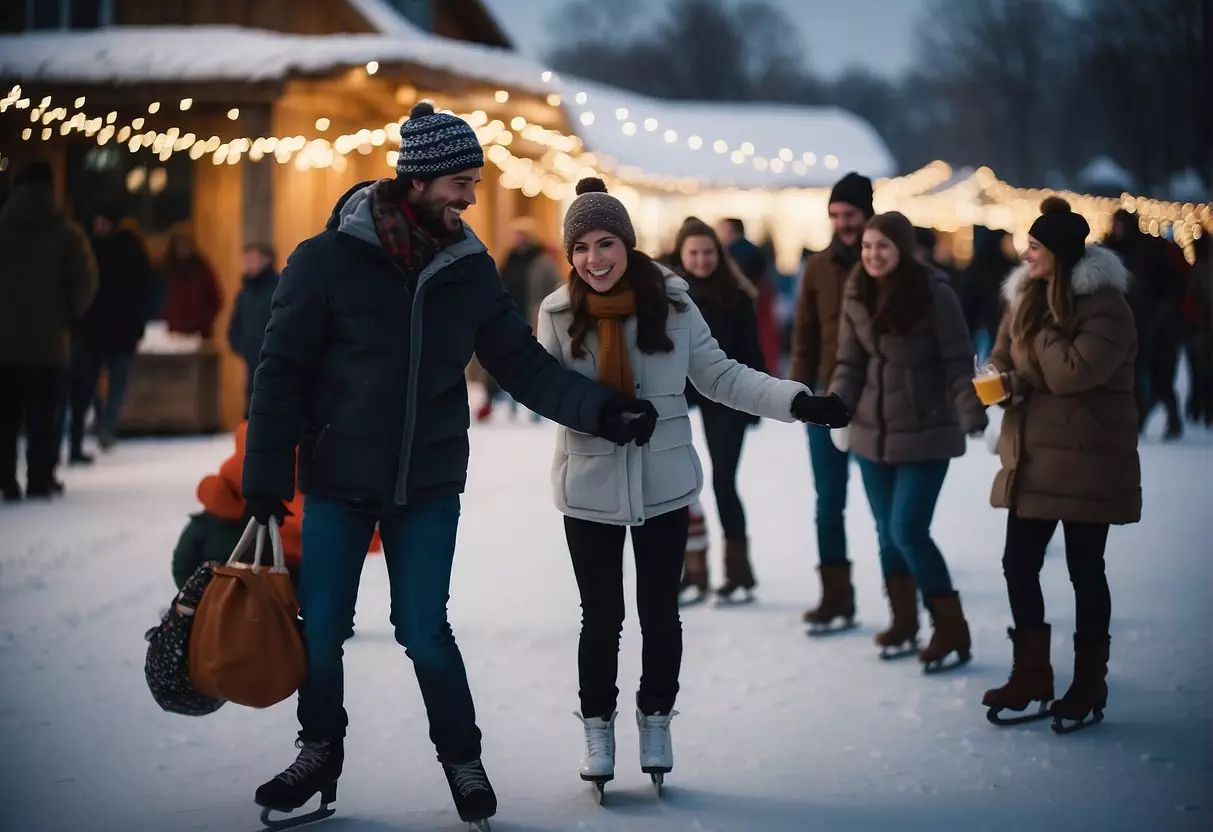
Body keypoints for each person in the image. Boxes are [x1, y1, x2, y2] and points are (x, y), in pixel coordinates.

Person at [240, 102, 656, 828]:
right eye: (462, 182)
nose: (471, 196)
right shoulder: (325, 260)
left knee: (424, 629)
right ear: (423, 180)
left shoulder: (467, 268)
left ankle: (461, 758)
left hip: (427, 483)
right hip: (337, 478)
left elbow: (520, 365)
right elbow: (280, 371)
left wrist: (601, 410)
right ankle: (318, 751)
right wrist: (266, 475)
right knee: (322, 630)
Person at [536, 178, 850, 793]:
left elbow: (722, 377)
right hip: (589, 485)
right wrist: (602, 412)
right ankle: (597, 726)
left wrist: (799, 402)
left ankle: (655, 716)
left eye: (606, 243)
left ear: (627, 244)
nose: (594, 259)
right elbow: (546, 392)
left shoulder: (674, 306)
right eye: (582, 248)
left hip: (664, 483)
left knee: (660, 613)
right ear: (569, 254)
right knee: (600, 617)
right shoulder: (556, 313)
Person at [981, 198, 1140, 733]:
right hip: (1031, 455)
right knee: (1017, 565)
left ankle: (1088, 681)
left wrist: (1041, 325)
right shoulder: (1023, 297)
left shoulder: (1106, 306)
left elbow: (1073, 373)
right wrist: (997, 378)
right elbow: (1005, 354)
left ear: (1062, 255)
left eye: (1035, 247)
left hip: (1087, 460)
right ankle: (1032, 674)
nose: (1025, 255)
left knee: (1084, 570)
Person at [829, 211, 987, 672]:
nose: (873, 255)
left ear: (903, 249)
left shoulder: (935, 294)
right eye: (867, 246)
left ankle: (950, 626)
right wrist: (836, 411)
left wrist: (973, 414)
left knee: (908, 531)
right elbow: (849, 363)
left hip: (927, 431)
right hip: (872, 435)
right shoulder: (856, 290)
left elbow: (959, 362)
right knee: (886, 534)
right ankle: (903, 620)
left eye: (884, 246)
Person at [788, 172, 874, 632]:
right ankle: (836, 597)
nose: (843, 224)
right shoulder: (818, 267)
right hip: (826, 401)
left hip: (877, 403)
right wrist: (799, 393)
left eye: (850, 215)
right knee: (828, 504)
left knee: (887, 512)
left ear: (867, 215)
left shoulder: (882, 259)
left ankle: (904, 606)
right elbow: (804, 334)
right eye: (836, 216)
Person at [670, 217, 766, 605]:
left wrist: (755, 399)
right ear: (681, 254)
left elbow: (750, 349)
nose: (702, 259)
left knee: (724, 482)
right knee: (677, 487)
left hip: (726, 398)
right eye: (693, 253)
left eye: (708, 252)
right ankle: (692, 570)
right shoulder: (669, 295)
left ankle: (739, 571)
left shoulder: (736, 294)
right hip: (676, 397)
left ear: (719, 254)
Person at [0, 161, 98, 501]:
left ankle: (6, 481)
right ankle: (40, 478)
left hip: (3, 344)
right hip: (49, 342)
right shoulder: (65, 231)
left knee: (6, 419)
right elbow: (86, 280)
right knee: (44, 416)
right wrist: (66, 315)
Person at [72, 208, 156, 452]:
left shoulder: (101, 248)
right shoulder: (92, 247)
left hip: (114, 328)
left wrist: (139, 319)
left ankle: (105, 424)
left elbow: (145, 286)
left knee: (112, 381)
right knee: (94, 382)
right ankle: (102, 423)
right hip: (100, 328)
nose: (99, 226)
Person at [476, 217, 561, 422]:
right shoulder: (509, 259)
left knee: (534, 363)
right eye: (515, 235)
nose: (516, 239)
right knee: (500, 361)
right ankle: (495, 401)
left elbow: (555, 288)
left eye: (520, 235)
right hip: (508, 317)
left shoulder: (543, 261)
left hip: (533, 318)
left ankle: (538, 407)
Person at [227, 243, 280, 413]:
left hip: (278, 360)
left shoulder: (280, 289)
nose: (249, 263)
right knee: (252, 406)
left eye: (253, 259)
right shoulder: (244, 295)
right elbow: (234, 328)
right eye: (246, 259)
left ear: (267, 260)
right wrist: (245, 347)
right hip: (252, 361)